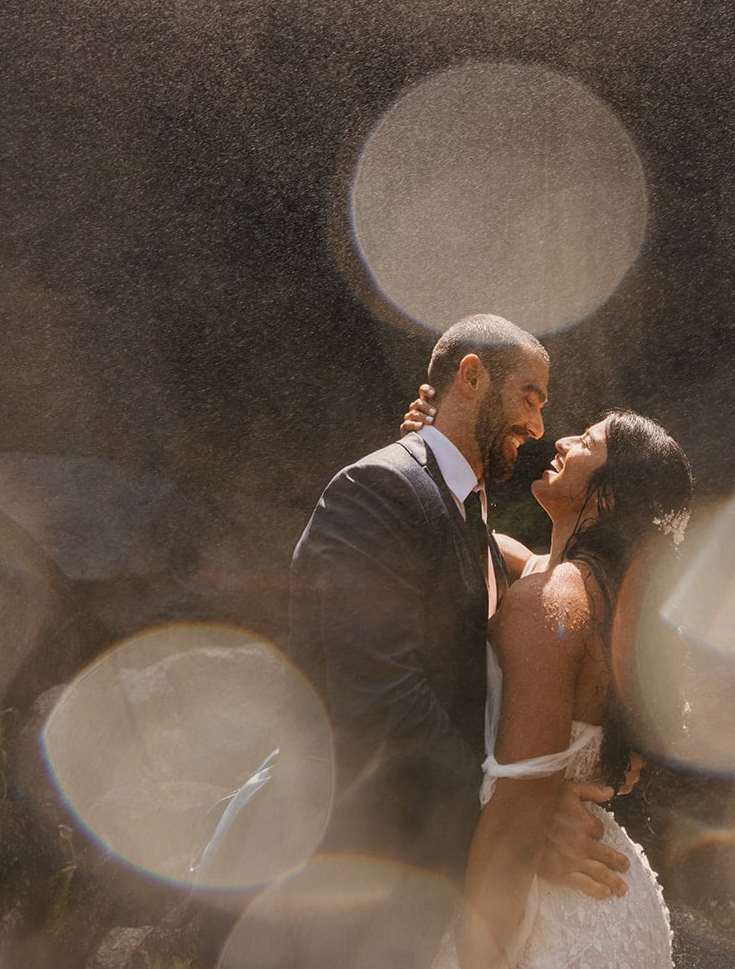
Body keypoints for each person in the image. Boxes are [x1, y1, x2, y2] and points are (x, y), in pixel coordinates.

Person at [286, 315, 632, 967]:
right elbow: (383, 701)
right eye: (528, 396)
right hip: (360, 863)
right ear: (471, 376)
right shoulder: (379, 489)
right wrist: (514, 808)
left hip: (431, 876)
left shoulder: (467, 513)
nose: (537, 426)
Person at [401, 394, 693, 969]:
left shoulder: (553, 603)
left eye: (587, 442)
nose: (561, 441)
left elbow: (512, 826)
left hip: (541, 916)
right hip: (617, 911)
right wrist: (435, 450)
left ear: (608, 494)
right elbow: (475, 537)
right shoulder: (615, 612)